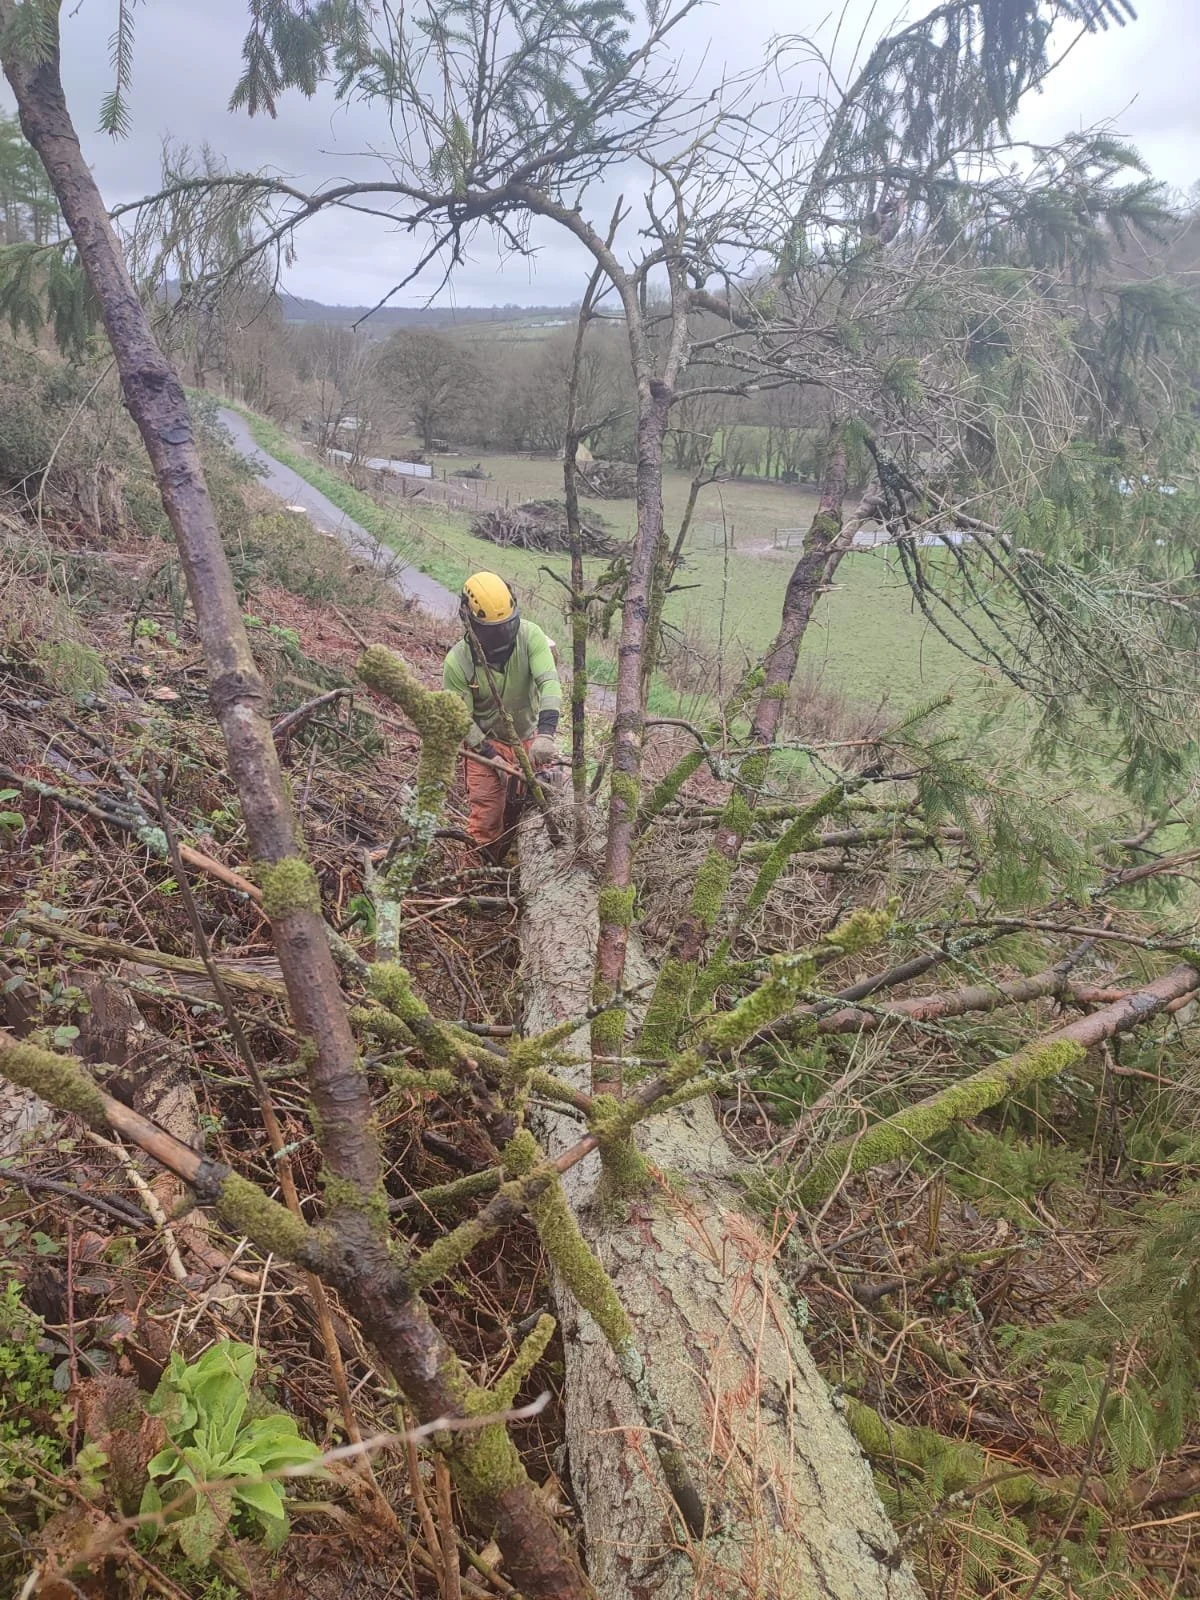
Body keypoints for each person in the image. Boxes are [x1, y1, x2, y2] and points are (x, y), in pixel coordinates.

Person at [442, 571, 562, 858]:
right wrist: (491, 757)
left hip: (531, 736)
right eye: (492, 630)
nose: (502, 635)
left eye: (505, 627)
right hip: (485, 741)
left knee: (550, 801)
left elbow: (550, 682)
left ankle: (525, 861)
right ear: (469, 620)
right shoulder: (458, 662)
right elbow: (462, 720)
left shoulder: (531, 636)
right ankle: (474, 880)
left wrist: (546, 733)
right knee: (486, 820)